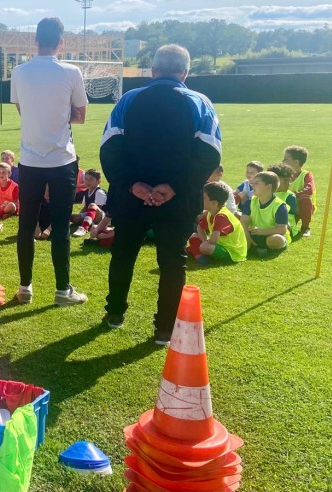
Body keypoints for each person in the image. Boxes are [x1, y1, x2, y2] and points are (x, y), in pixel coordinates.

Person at [99, 44, 221, 343]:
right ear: (185, 72)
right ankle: (165, 328)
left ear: (153, 71)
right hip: (177, 199)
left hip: (132, 197)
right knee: (172, 261)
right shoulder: (200, 102)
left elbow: (109, 148)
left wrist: (132, 185)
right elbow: (210, 153)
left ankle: (115, 313)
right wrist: (174, 186)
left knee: (123, 254)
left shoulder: (129, 99)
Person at [11, 17, 89, 307]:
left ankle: (25, 288)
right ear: (61, 42)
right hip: (61, 161)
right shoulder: (71, 72)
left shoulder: (19, 71)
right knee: (59, 225)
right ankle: (62, 290)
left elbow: (23, 111)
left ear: (35, 40)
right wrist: (60, 115)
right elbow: (80, 116)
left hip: (30, 161)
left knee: (26, 226)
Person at [186, 181, 247, 264]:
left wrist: (204, 244)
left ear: (214, 203)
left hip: (232, 252)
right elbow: (200, 227)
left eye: (203, 198)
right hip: (219, 245)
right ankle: (198, 254)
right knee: (193, 235)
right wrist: (204, 241)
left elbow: (213, 240)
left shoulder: (222, 216)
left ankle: (198, 254)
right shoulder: (211, 212)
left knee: (205, 247)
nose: (200, 200)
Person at [240, 171, 290, 257]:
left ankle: (257, 248)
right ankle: (257, 247)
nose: (252, 185)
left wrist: (261, 232)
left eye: (256, 183)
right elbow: (244, 221)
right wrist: (247, 236)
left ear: (268, 187)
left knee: (277, 240)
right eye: (253, 183)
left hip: (269, 236)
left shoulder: (280, 205)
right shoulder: (251, 200)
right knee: (238, 232)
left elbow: (282, 229)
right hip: (253, 234)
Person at [283, 145, 316, 237]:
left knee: (305, 198)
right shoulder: (282, 173)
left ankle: (305, 228)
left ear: (296, 162)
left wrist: (293, 195)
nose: (283, 161)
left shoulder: (306, 175)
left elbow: (309, 189)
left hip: (300, 206)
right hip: (285, 205)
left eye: (286, 159)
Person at [71, 168, 108, 237]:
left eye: (91, 179)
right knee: (73, 217)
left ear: (98, 181)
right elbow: (85, 208)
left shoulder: (99, 192)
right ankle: (55, 225)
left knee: (92, 205)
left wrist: (82, 216)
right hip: (91, 216)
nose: (88, 181)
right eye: (86, 179)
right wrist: (79, 216)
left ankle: (84, 228)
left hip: (103, 218)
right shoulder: (87, 192)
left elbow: (98, 209)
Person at [268, 163, 300, 239]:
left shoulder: (289, 196)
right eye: (285, 181)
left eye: (289, 181)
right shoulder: (265, 193)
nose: (289, 184)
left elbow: (292, 214)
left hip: (286, 227)